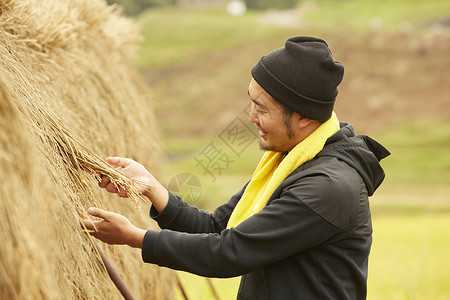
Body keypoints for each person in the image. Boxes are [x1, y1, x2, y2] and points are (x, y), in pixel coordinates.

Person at [83, 36, 390, 299]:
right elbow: (218, 227)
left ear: (304, 117)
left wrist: (134, 237)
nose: (251, 117)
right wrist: (152, 188)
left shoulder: (326, 187)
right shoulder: (287, 164)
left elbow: (228, 252)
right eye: (251, 103)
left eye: (262, 108)